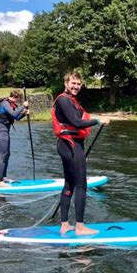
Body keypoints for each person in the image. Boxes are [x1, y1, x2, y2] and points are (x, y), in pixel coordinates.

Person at [51, 71, 110, 235]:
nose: (76, 86)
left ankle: (64, 225)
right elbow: (77, 123)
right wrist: (98, 120)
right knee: (81, 185)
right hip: (70, 145)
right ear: (66, 83)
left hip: (70, 145)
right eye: (73, 83)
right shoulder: (63, 100)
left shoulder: (71, 100)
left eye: (78, 84)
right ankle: (80, 227)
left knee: (69, 184)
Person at [0, 90, 29, 187]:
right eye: (18, 100)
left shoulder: (10, 104)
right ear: (16, 97)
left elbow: (17, 117)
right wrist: (23, 105)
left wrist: (24, 113)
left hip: (6, 131)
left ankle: (4, 177)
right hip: (1, 132)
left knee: (7, 154)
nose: (17, 103)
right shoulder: (5, 103)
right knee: (3, 155)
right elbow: (14, 114)